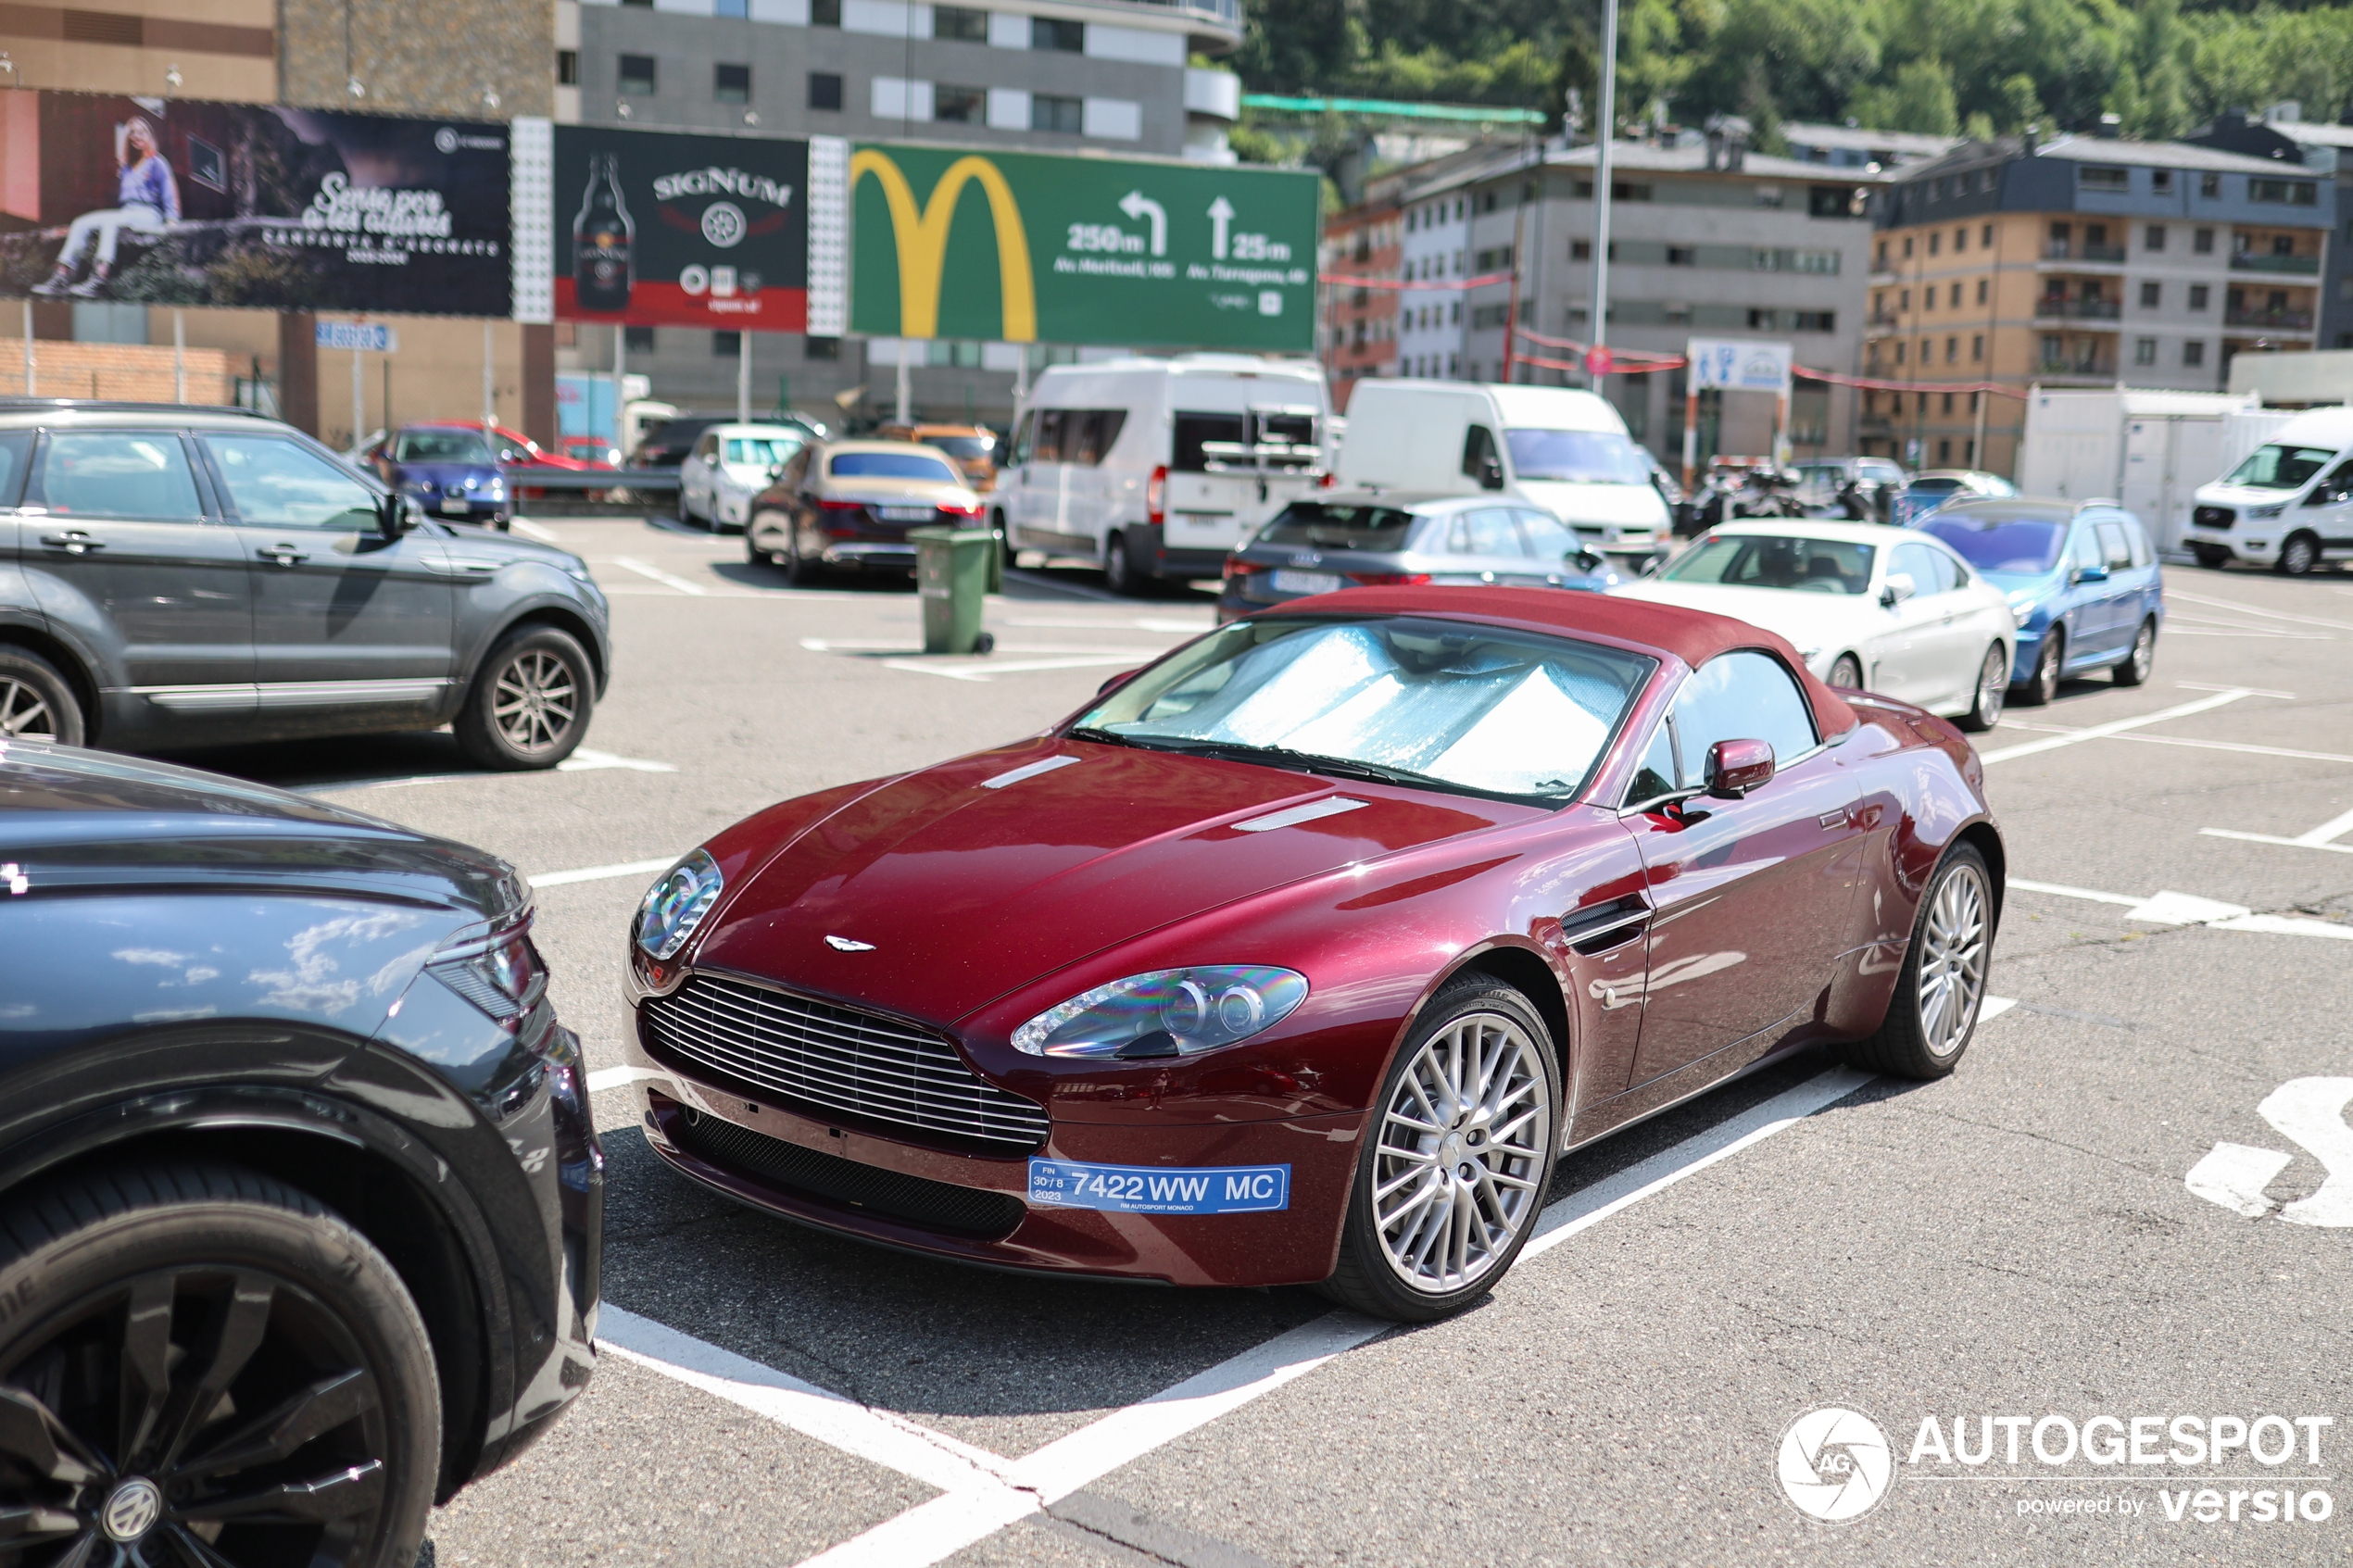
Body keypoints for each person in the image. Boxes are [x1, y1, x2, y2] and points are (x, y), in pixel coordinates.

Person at [32, 116, 180, 299]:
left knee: (110, 223)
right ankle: (61, 276)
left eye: (141, 132)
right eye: (132, 133)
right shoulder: (127, 168)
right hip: (126, 213)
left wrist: (172, 220)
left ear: (149, 136)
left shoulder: (157, 162)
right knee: (81, 222)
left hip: (150, 214)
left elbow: (169, 193)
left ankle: (100, 279)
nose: (136, 136)